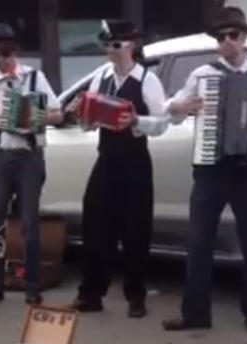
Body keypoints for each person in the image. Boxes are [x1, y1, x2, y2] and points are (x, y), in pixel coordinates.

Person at [161, 7, 247, 334]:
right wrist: (178, 107)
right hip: (211, 169)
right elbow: (173, 110)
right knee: (198, 243)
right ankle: (195, 314)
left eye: (233, 35)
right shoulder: (202, 76)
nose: (227, 42)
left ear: (245, 37)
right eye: (221, 37)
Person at [71, 20, 170, 319]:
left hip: (136, 161)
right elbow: (89, 122)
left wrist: (137, 122)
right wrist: (82, 116)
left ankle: (136, 296)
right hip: (107, 159)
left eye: (115, 45)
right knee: (95, 225)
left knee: (136, 231)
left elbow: (163, 123)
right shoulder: (101, 78)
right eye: (107, 45)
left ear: (130, 46)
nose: (109, 51)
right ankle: (91, 293)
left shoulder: (147, 81)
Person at [0, 23, 62, 306]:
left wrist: (32, 118)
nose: (0, 61)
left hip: (28, 156)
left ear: (15, 53)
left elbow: (58, 114)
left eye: (4, 55)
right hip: (1, 156)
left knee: (29, 223)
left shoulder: (35, 78)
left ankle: (32, 286)